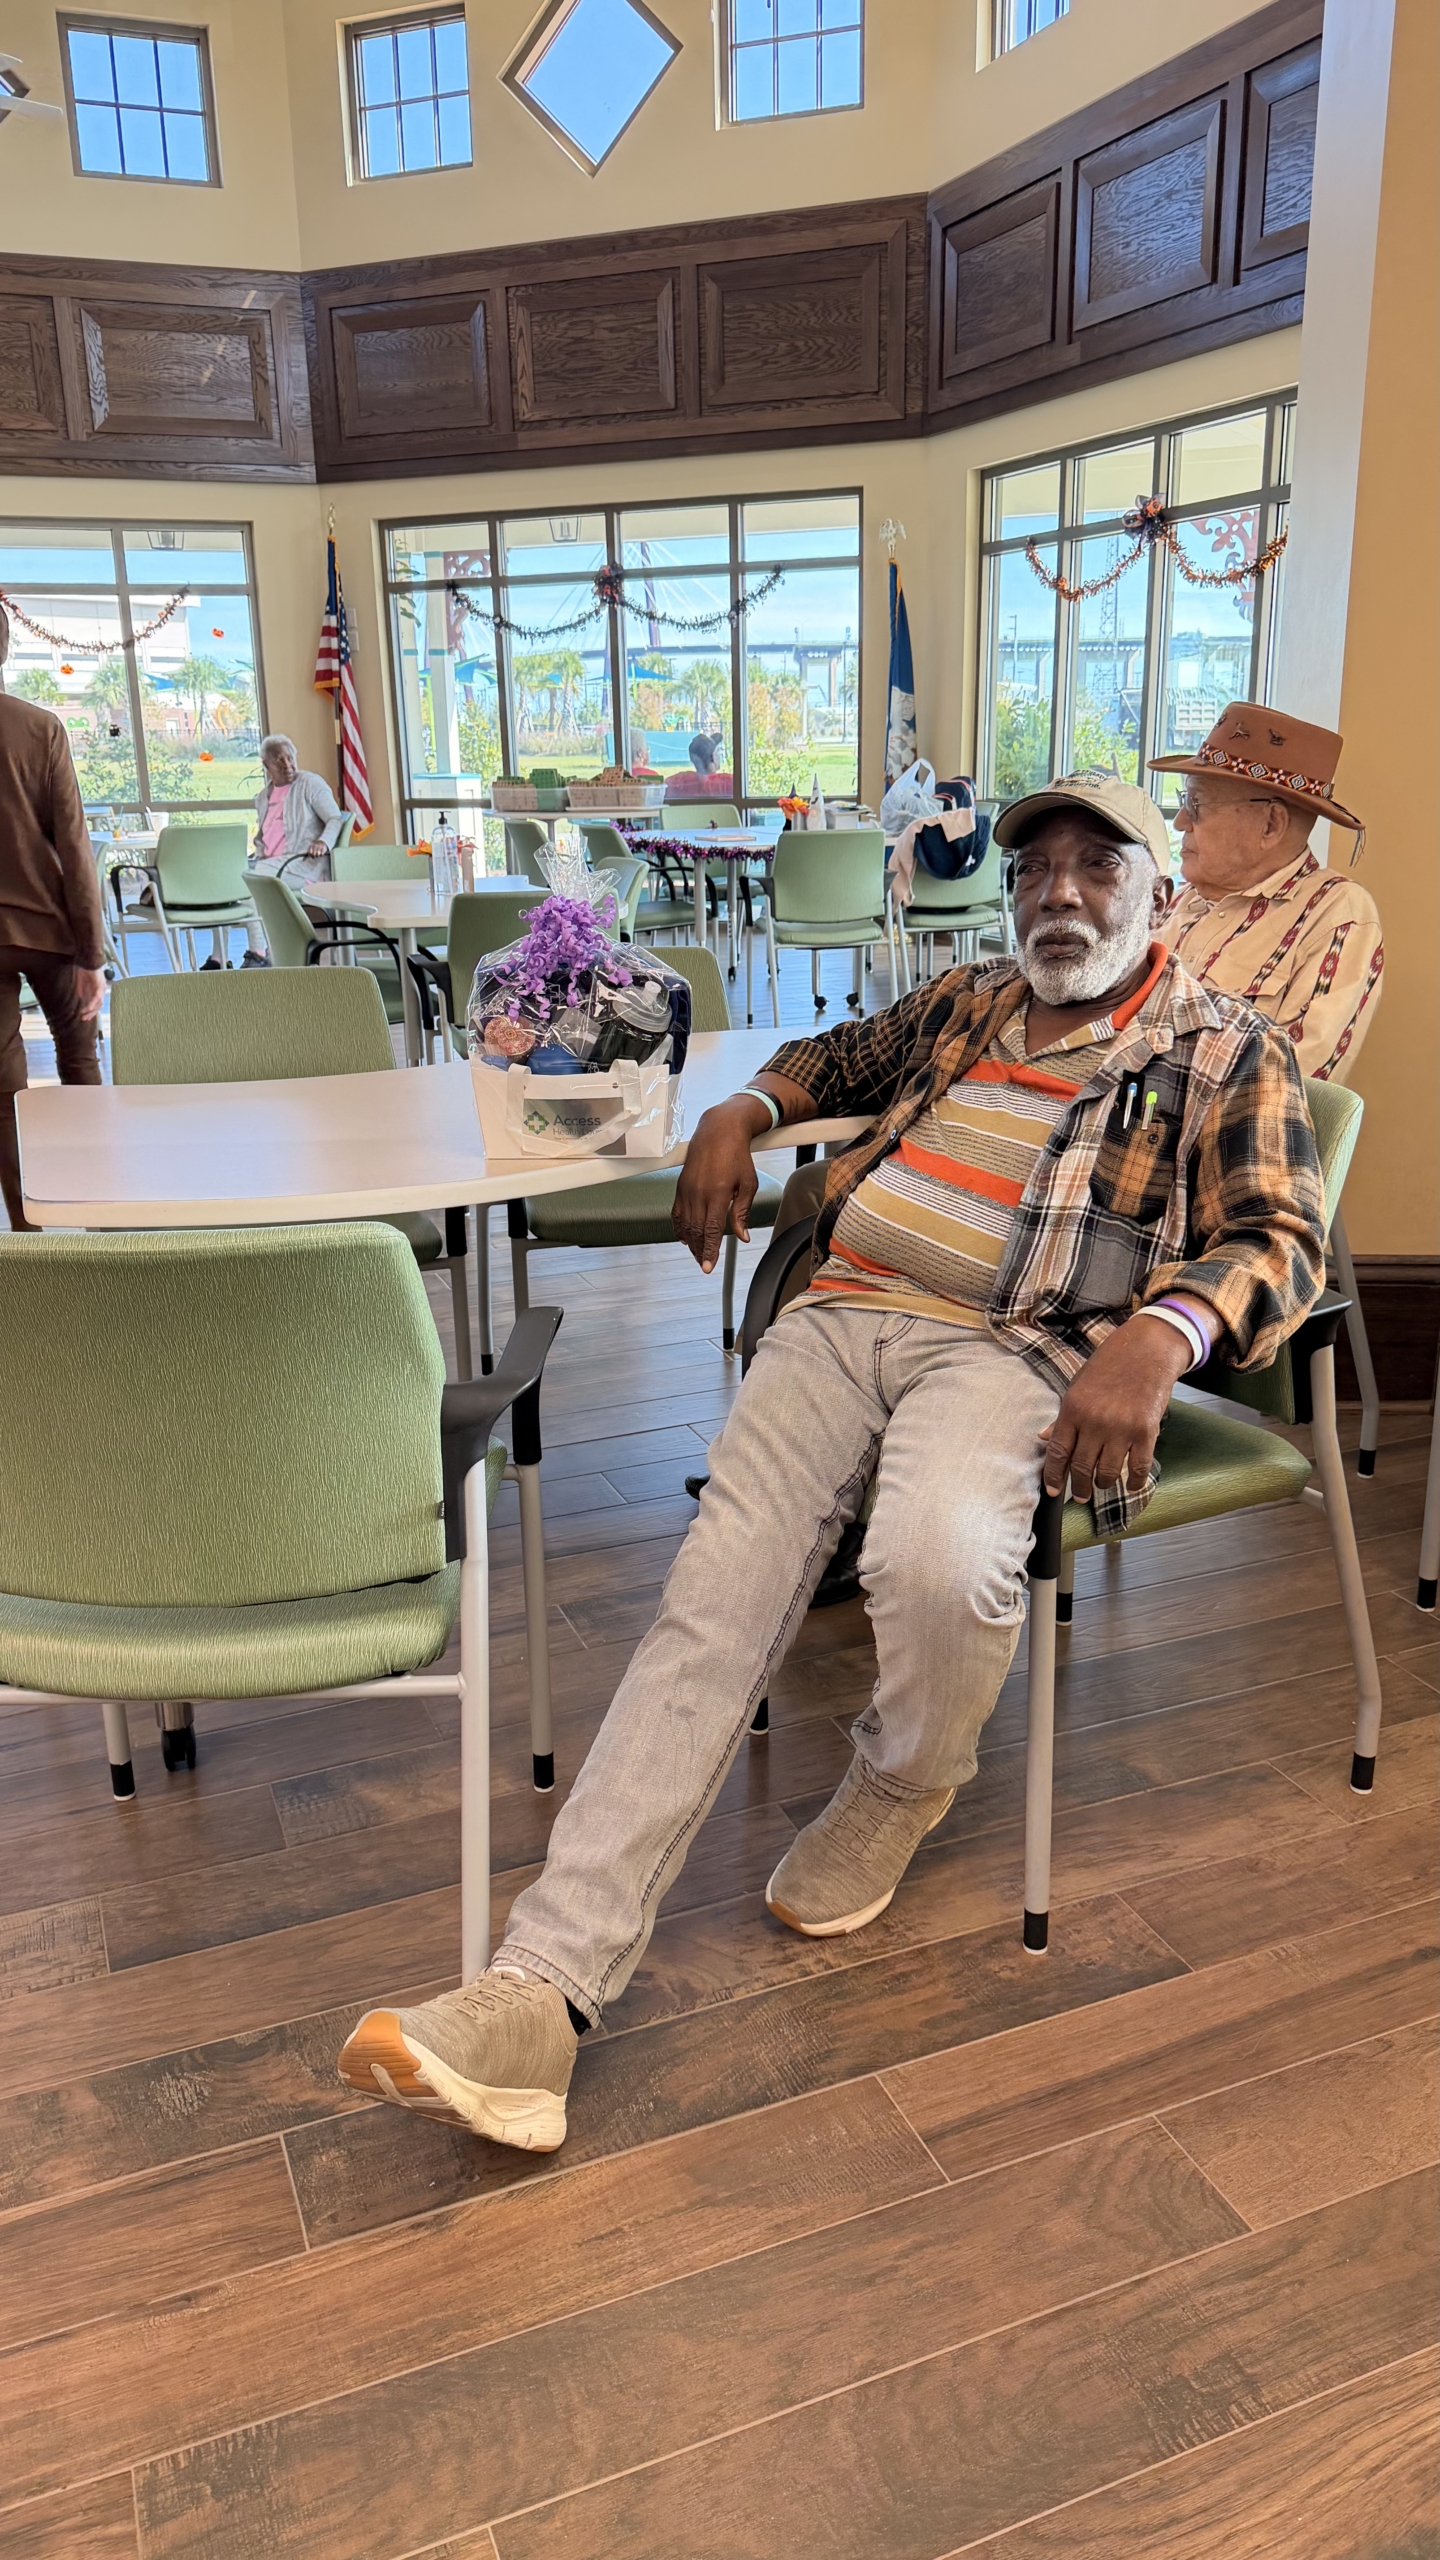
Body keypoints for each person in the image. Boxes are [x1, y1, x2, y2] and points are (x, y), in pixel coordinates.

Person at [339, 773, 1327, 2154]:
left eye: (1099, 865)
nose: (1058, 891)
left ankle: (904, 1780)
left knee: (937, 1565)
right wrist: (739, 1112)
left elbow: (1280, 1235)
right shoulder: (972, 998)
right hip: (841, 1308)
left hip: (1019, 1346)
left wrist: (1161, 1336)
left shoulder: (1227, 1048)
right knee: (713, 1605)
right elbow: (839, 1053)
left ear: (1158, 895)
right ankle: (538, 1993)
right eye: (1034, 867)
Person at [1150, 701, 1382, 1081]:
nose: (1179, 822)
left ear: (1271, 824)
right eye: (1183, 800)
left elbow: (1294, 1082)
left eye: (1196, 804)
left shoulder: (1337, 915)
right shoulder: (1178, 900)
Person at [0, 603, 106, 1231]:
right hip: (48, 930)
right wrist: (92, 955)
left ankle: (29, 1234)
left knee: (4, 1092)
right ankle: (99, 1213)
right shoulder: (41, 730)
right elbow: (74, 847)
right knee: (79, 1056)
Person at [244, 734, 344, 962]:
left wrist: (323, 842)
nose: (287, 765)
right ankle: (219, 956)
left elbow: (335, 818)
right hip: (269, 865)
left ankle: (258, 953)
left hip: (302, 866)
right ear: (266, 765)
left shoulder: (310, 784)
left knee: (251, 880)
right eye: (279, 760)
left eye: (290, 758)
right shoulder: (263, 797)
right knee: (233, 878)